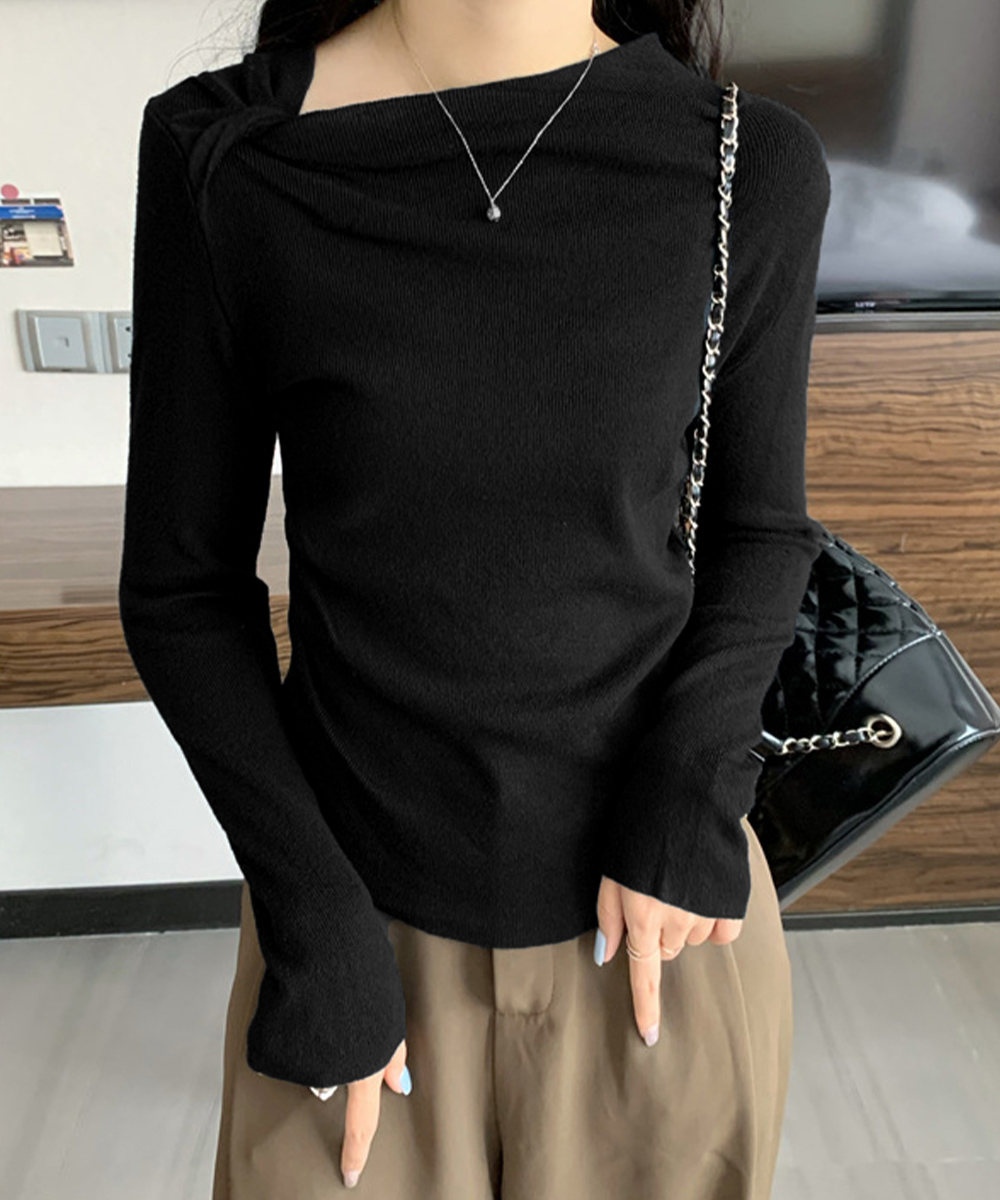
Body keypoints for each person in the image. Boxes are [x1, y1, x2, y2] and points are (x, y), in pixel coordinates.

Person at [118, 0, 831, 1195]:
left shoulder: (745, 161)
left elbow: (758, 528)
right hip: (350, 927)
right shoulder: (228, 152)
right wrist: (315, 919)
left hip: (654, 925)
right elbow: (183, 589)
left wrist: (691, 787)